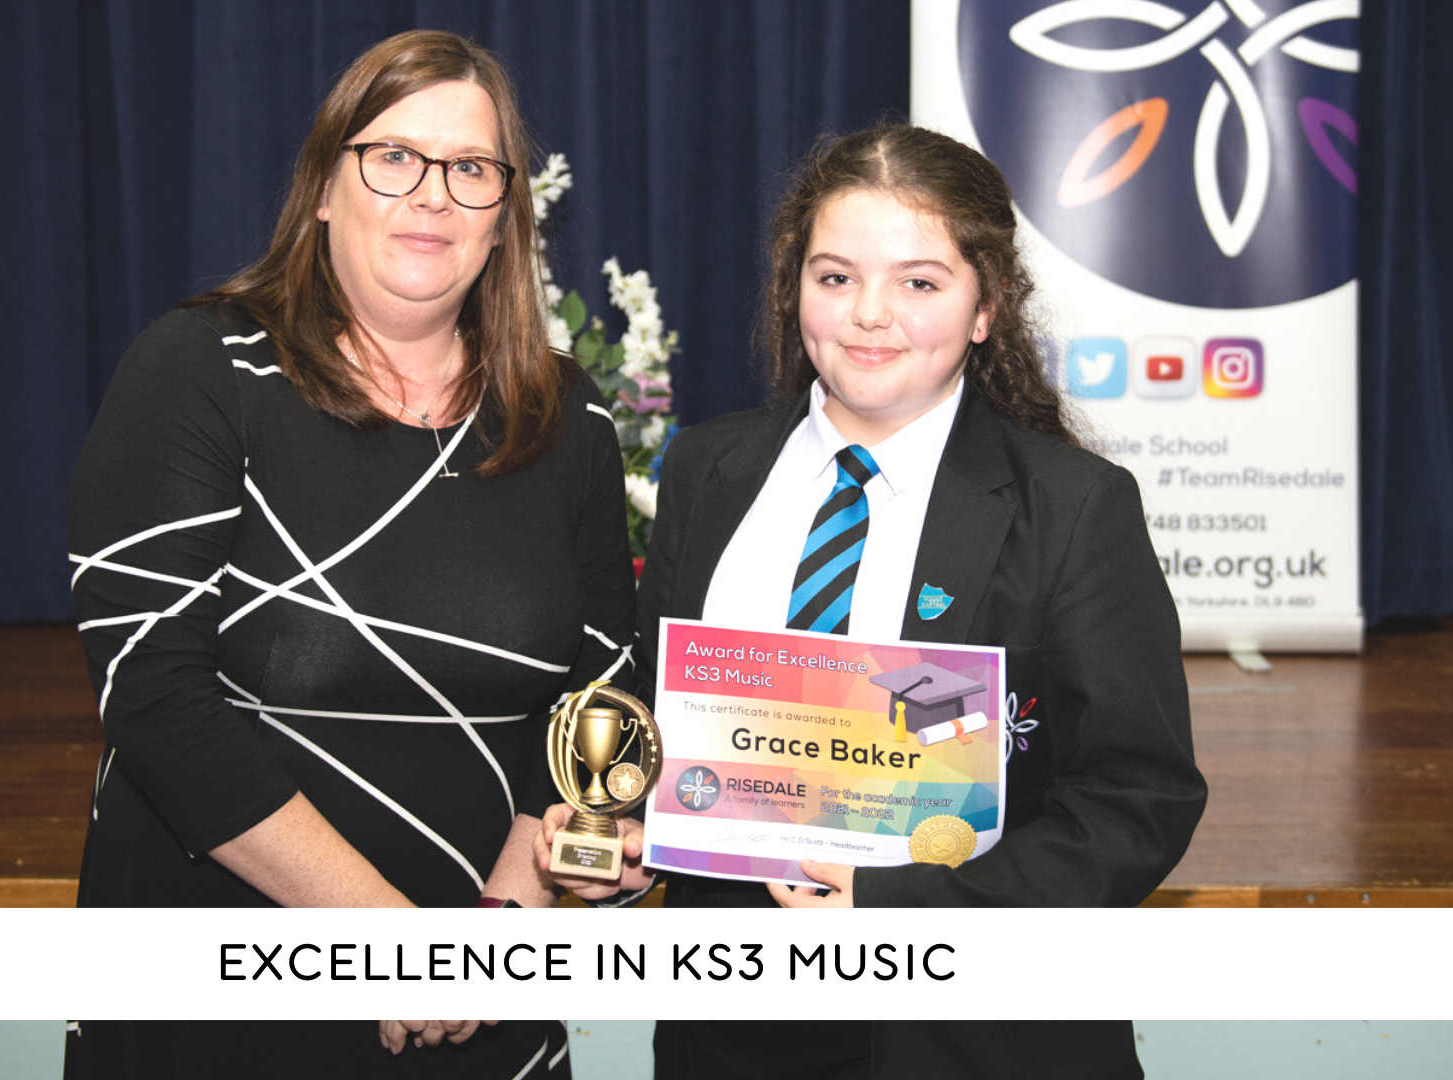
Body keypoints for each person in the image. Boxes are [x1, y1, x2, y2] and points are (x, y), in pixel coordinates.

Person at [536, 123, 1204, 1078]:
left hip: (968, 1036)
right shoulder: (708, 471)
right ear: (794, 287)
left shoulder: (1073, 508)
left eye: (920, 283)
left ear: (986, 307)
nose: (869, 315)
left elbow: (1139, 801)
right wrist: (629, 833)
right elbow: (660, 719)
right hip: (730, 1028)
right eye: (836, 276)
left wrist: (902, 916)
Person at [65, 28, 630, 1078]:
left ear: (505, 215)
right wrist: (391, 942)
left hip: (482, 995)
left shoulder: (567, 416)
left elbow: (595, 696)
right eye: (394, 157)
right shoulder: (199, 370)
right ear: (325, 185)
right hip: (221, 988)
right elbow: (152, 695)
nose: (433, 196)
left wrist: (499, 929)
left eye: (471, 169)